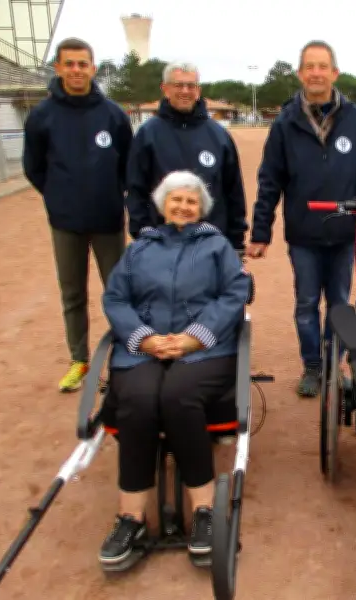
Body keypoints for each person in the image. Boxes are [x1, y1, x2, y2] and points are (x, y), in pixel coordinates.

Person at [98, 170, 250, 566]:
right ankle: (130, 517)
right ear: (163, 204)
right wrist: (145, 338)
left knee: (179, 395)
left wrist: (193, 337)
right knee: (137, 398)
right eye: (176, 199)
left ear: (202, 209)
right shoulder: (139, 249)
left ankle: (204, 511)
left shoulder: (217, 246)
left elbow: (235, 295)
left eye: (192, 201)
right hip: (144, 349)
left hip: (204, 349)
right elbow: (115, 298)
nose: (184, 206)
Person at [247, 40, 356, 398]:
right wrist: (261, 231)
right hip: (304, 234)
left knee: (339, 302)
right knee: (306, 303)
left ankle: (333, 358)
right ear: (300, 73)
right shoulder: (285, 123)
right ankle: (312, 365)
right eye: (310, 66)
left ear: (334, 73)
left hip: (343, 232)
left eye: (323, 66)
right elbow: (269, 179)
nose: (317, 73)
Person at [22, 37, 133, 392]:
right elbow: (34, 167)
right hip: (65, 223)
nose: (75, 70)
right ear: (57, 68)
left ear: (93, 68)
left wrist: (112, 196)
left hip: (107, 221)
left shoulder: (113, 115)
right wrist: (58, 197)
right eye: (69, 64)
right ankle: (79, 360)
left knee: (118, 291)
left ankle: (125, 360)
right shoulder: (42, 116)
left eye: (82, 64)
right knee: (72, 294)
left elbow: (128, 165)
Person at [125, 61, 248, 251]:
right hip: (162, 243)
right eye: (178, 85)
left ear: (198, 90)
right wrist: (143, 233)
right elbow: (136, 189)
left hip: (211, 242)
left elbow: (233, 192)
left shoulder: (219, 136)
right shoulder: (148, 134)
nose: (185, 91)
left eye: (190, 85)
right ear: (165, 89)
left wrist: (236, 240)